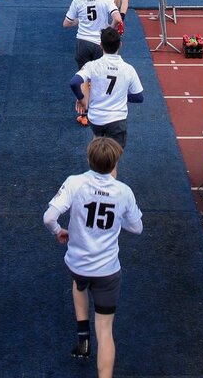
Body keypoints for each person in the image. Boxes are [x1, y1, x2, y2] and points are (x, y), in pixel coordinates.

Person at [43, 137, 143, 377]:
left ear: (89, 159)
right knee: (105, 330)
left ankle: (83, 338)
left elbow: (49, 217)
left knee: (79, 284)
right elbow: (137, 228)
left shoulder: (75, 183)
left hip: (77, 264)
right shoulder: (123, 192)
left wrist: (59, 232)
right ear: (115, 163)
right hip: (107, 271)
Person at [69, 27, 144, 140]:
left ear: (101, 45)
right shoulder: (128, 69)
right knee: (113, 153)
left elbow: (74, 82)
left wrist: (81, 99)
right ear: (120, 45)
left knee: (97, 144)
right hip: (117, 120)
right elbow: (139, 97)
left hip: (96, 119)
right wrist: (120, 95)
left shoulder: (92, 66)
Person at [65, 0, 123, 69]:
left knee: (84, 78)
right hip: (99, 42)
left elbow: (66, 23)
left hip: (82, 42)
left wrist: (80, 20)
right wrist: (110, 28)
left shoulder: (77, 0)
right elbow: (118, 19)